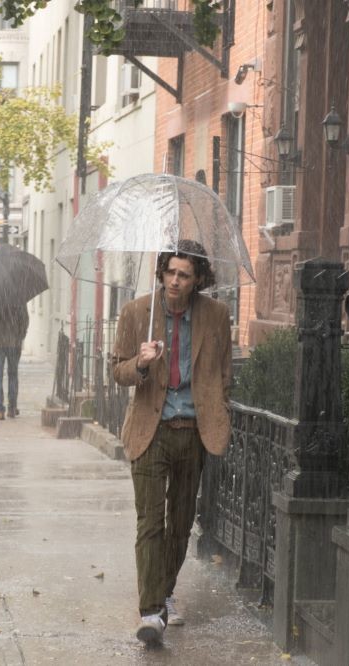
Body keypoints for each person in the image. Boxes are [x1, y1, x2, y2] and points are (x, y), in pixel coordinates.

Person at [111, 240, 232, 646]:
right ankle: (151, 612)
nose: (175, 281)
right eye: (170, 272)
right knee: (150, 524)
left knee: (180, 526)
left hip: (193, 431)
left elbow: (223, 374)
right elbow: (117, 371)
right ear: (161, 272)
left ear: (198, 278)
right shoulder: (137, 313)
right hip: (152, 430)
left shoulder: (216, 316)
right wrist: (141, 364)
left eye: (184, 274)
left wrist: (218, 412)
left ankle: (163, 591)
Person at [0, 304, 29, 420]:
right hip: (13, 341)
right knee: (13, 375)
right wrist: (20, 335)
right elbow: (25, 320)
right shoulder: (17, 298)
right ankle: (12, 408)